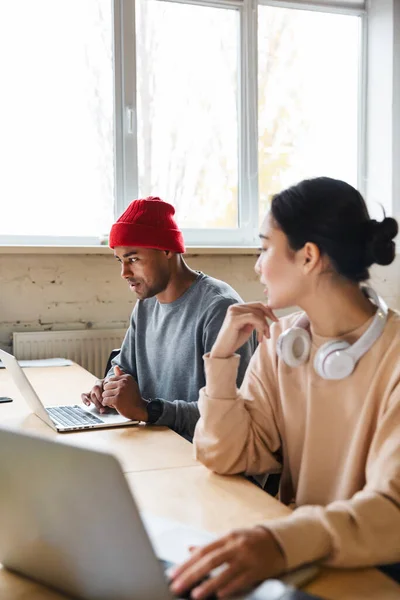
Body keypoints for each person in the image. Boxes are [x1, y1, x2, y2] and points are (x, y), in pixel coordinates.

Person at [169, 177, 400, 599]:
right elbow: (225, 454)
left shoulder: (395, 356)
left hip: (371, 573)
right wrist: (221, 361)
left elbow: (392, 512)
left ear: (308, 256)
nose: (257, 265)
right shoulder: (283, 342)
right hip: (302, 558)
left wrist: (279, 542)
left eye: (263, 247)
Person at [82, 196, 255, 441]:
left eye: (133, 259)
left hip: (209, 457)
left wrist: (148, 409)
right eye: (120, 261)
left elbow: (232, 416)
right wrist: (109, 388)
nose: (124, 273)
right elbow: (124, 368)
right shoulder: (146, 305)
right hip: (160, 441)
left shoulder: (221, 309)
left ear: (166, 249)